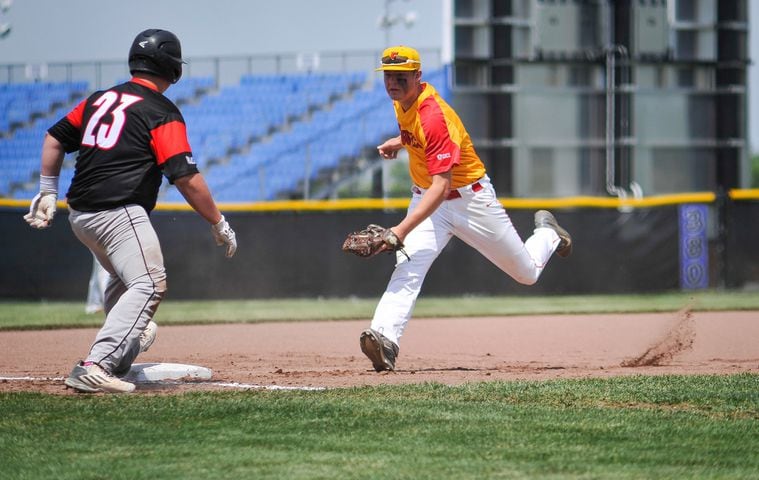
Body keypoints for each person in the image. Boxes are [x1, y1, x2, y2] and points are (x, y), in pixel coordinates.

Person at [24, 28, 237, 393]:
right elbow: (186, 177)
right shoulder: (159, 109)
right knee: (150, 283)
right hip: (118, 209)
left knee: (124, 282)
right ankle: (97, 364)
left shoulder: (99, 99)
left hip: (81, 215)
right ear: (172, 66)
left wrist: (47, 191)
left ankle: (119, 357)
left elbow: (54, 137)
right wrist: (218, 222)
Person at [359, 46, 572, 372]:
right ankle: (384, 339)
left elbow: (442, 184)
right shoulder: (403, 101)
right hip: (428, 197)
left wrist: (399, 231)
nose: (393, 82)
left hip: (469, 201)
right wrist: (399, 140)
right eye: (388, 75)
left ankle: (547, 234)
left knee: (526, 273)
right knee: (408, 265)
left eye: (401, 75)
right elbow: (418, 133)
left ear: (418, 76)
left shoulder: (434, 116)